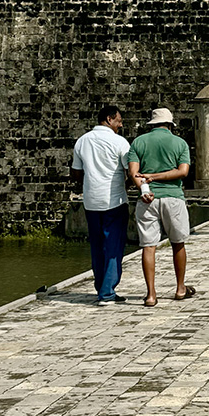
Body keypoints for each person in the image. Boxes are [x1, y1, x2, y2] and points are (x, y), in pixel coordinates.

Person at [127, 108, 194, 307]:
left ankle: (151, 294)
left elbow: (134, 173)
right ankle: (180, 288)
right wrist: (159, 176)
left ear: (151, 124)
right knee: (178, 243)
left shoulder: (139, 142)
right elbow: (183, 172)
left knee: (148, 246)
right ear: (170, 125)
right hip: (173, 198)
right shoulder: (180, 143)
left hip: (148, 199)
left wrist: (145, 188)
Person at [71, 104, 132, 305]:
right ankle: (107, 292)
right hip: (114, 200)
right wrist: (126, 185)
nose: (120, 125)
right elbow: (129, 170)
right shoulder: (119, 142)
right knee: (113, 245)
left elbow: (77, 173)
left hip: (91, 201)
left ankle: (101, 286)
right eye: (119, 121)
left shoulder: (82, 141)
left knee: (97, 246)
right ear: (108, 119)